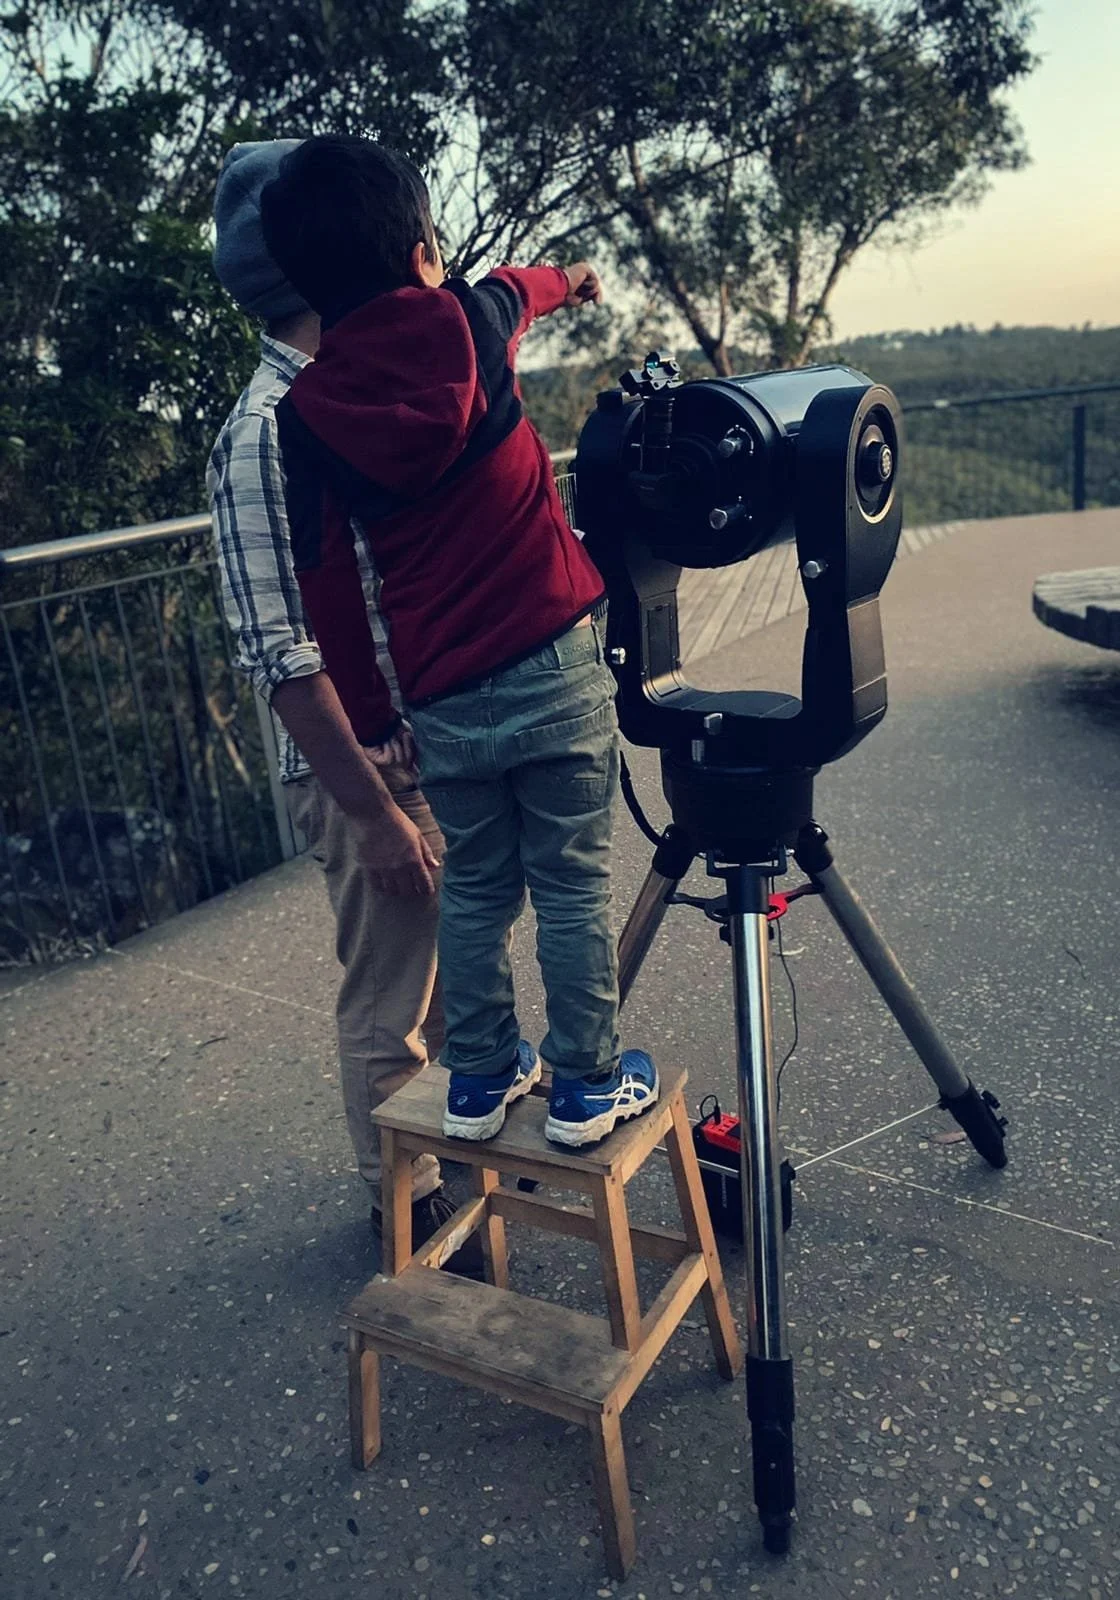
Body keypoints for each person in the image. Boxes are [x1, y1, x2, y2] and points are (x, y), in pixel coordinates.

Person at [258, 133, 658, 1148]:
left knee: (478, 880)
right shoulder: (473, 319)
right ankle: (585, 1086)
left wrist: (378, 712)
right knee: (571, 877)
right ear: (424, 247)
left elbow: (327, 582)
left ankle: (478, 1079)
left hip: (441, 691)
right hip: (556, 659)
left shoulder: (304, 414)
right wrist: (571, 280)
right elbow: (523, 286)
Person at [207, 140, 480, 1270]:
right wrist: (374, 812)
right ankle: (404, 1208)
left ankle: (458, 1170)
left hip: (430, 743)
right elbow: (281, 657)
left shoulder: (354, 394)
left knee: (455, 989)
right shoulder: (265, 433)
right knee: (390, 1008)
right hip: (366, 772)